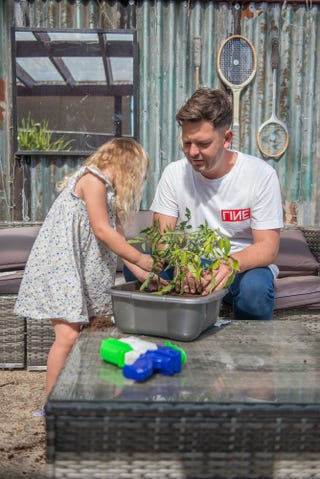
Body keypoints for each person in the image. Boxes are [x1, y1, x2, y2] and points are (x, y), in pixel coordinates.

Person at [15, 138, 162, 402]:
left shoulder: (108, 192)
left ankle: (81, 395)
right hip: (62, 267)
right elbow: (102, 231)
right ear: (125, 166)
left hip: (82, 267)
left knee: (94, 331)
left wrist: (141, 273)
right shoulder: (92, 179)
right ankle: (52, 405)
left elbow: (117, 235)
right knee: (68, 336)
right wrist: (142, 259)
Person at [131, 87, 284, 320]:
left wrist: (228, 265)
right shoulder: (174, 174)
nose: (193, 152)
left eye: (203, 144)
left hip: (239, 267)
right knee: (139, 271)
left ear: (227, 139)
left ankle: (248, 346)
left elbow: (267, 248)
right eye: (187, 143)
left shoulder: (260, 175)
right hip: (189, 262)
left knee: (256, 291)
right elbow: (161, 239)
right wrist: (182, 264)